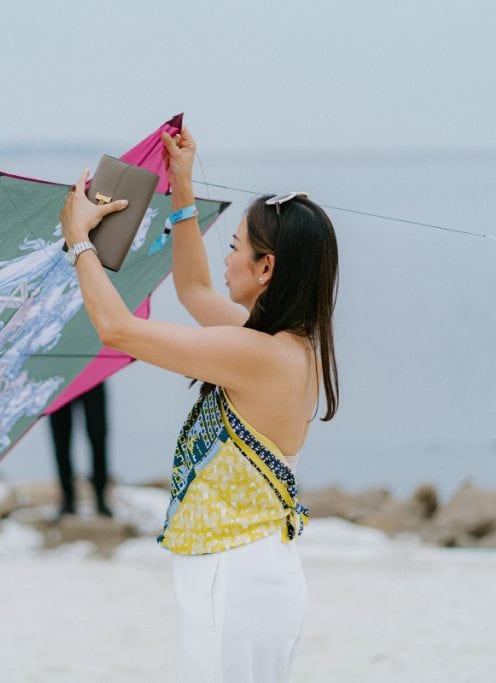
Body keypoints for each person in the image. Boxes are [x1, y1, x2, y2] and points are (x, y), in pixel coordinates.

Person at [59, 127, 339, 683]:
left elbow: (117, 329)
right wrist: (182, 186)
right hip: (253, 571)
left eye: (234, 247)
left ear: (266, 268)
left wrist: (79, 242)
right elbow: (193, 290)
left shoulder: (257, 355)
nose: (227, 259)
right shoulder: (286, 346)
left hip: (234, 577)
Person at [49, 382, 112, 518]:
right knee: (61, 440)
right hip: (60, 380)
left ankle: (101, 498)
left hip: (93, 376)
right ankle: (68, 500)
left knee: (98, 436)